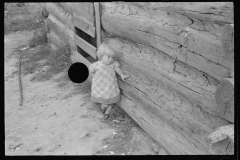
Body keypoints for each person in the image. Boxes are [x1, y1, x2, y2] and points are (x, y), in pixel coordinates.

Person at [89, 43, 129, 119]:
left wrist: (122, 75)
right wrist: (92, 73)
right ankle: (103, 108)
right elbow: (91, 71)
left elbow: (118, 69)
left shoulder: (113, 64)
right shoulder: (97, 65)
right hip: (101, 88)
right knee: (105, 104)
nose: (111, 59)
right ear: (101, 56)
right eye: (108, 57)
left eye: (112, 57)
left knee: (111, 101)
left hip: (111, 88)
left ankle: (106, 114)